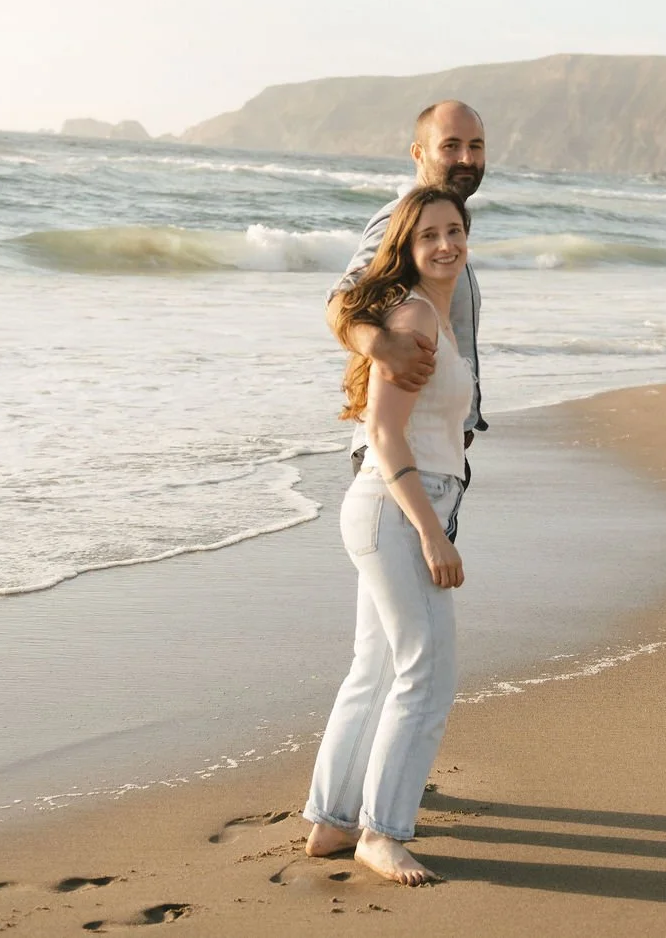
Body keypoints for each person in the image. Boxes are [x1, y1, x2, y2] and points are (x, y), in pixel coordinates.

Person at [301, 185, 475, 885]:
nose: (445, 244)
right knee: (427, 672)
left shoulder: (435, 313)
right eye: (428, 234)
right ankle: (382, 832)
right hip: (399, 507)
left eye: (454, 230)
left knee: (375, 668)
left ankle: (332, 820)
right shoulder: (415, 316)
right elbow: (382, 429)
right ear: (404, 245)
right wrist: (433, 533)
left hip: (392, 505)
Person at [325, 101, 487, 541]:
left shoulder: (446, 226)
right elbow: (340, 301)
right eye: (451, 146)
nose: (466, 158)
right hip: (401, 460)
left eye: (475, 146)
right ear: (419, 153)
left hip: (435, 457)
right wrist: (381, 347)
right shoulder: (402, 220)